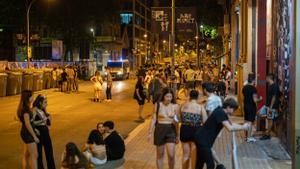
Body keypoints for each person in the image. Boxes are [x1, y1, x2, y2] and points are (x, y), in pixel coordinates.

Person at [194, 97, 250, 169]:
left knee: (200, 162)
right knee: (210, 164)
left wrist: (243, 126)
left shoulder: (221, 111)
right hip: (203, 140)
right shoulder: (220, 113)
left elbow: (231, 124)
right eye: (233, 109)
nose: (234, 111)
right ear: (228, 107)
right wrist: (243, 127)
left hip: (202, 139)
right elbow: (229, 128)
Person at [148, 88, 179, 169]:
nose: (169, 98)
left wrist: (177, 135)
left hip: (171, 130)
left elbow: (177, 122)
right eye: (167, 96)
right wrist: (150, 132)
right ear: (163, 96)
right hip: (159, 130)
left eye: (170, 97)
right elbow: (153, 119)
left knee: (171, 155)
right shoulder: (158, 105)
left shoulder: (175, 106)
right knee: (160, 154)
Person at [180, 90, 207, 169]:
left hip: (185, 129)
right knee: (194, 156)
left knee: (185, 155)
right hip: (196, 130)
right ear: (198, 97)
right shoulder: (200, 107)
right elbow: (205, 121)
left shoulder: (183, 106)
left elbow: (178, 118)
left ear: (190, 96)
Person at [32, 95, 55, 169]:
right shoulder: (34, 110)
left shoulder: (42, 109)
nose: (46, 104)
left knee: (49, 152)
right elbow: (31, 123)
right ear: (39, 102)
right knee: (39, 153)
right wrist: (42, 121)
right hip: (39, 132)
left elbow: (47, 121)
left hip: (45, 131)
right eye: (45, 102)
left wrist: (49, 121)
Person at [17, 90, 39, 169]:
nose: (33, 97)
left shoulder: (26, 107)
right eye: (32, 96)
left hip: (26, 132)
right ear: (28, 98)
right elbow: (27, 124)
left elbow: (29, 121)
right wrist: (34, 136)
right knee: (35, 155)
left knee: (26, 155)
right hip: (27, 134)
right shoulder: (25, 109)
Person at [259, 74, 281, 140]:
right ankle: (267, 132)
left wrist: (271, 107)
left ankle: (267, 134)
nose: (265, 79)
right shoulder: (270, 86)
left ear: (269, 78)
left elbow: (274, 97)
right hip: (268, 106)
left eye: (266, 78)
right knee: (260, 114)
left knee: (270, 120)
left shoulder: (274, 86)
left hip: (272, 107)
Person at [242, 73, 263, 143]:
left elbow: (243, 97)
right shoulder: (253, 89)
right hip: (251, 107)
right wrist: (260, 98)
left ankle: (245, 137)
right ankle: (249, 137)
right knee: (250, 122)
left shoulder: (244, 88)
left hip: (245, 106)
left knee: (246, 121)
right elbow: (255, 100)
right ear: (253, 80)